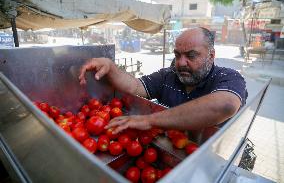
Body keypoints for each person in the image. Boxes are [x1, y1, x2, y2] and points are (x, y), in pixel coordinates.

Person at [79, 27, 247, 134]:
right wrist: (111, 67)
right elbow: (136, 86)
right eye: (177, 55)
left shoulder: (228, 77)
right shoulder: (167, 75)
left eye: (191, 55)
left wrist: (150, 120)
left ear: (211, 56)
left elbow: (225, 105)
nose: (181, 63)